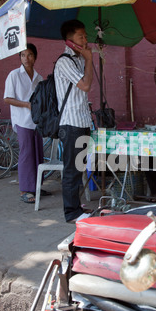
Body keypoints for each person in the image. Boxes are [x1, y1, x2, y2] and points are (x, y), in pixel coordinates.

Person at [55, 19, 93, 223]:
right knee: (72, 169)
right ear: (69, 40)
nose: (86, 39)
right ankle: (72, 212)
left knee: (79, 167)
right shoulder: (65, 61)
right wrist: (89, 59)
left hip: (82, 121)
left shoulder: (78, 59)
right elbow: (86, 85)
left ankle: (76, 207)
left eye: (86, 35)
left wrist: (86, 59)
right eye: (81, 36)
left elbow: (88, 84)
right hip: (71, 125)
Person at [4, 43, 48, 204]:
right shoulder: (14, 75)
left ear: (35, 57)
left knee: (38, 154)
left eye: (29, 55)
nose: (26, 58)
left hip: (36, 122)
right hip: (22, 120)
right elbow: (7, 98)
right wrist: (26, 104)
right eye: (23, 55)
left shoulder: (38, 77)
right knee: (26, 154)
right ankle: (25, 189)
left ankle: (36, 186)